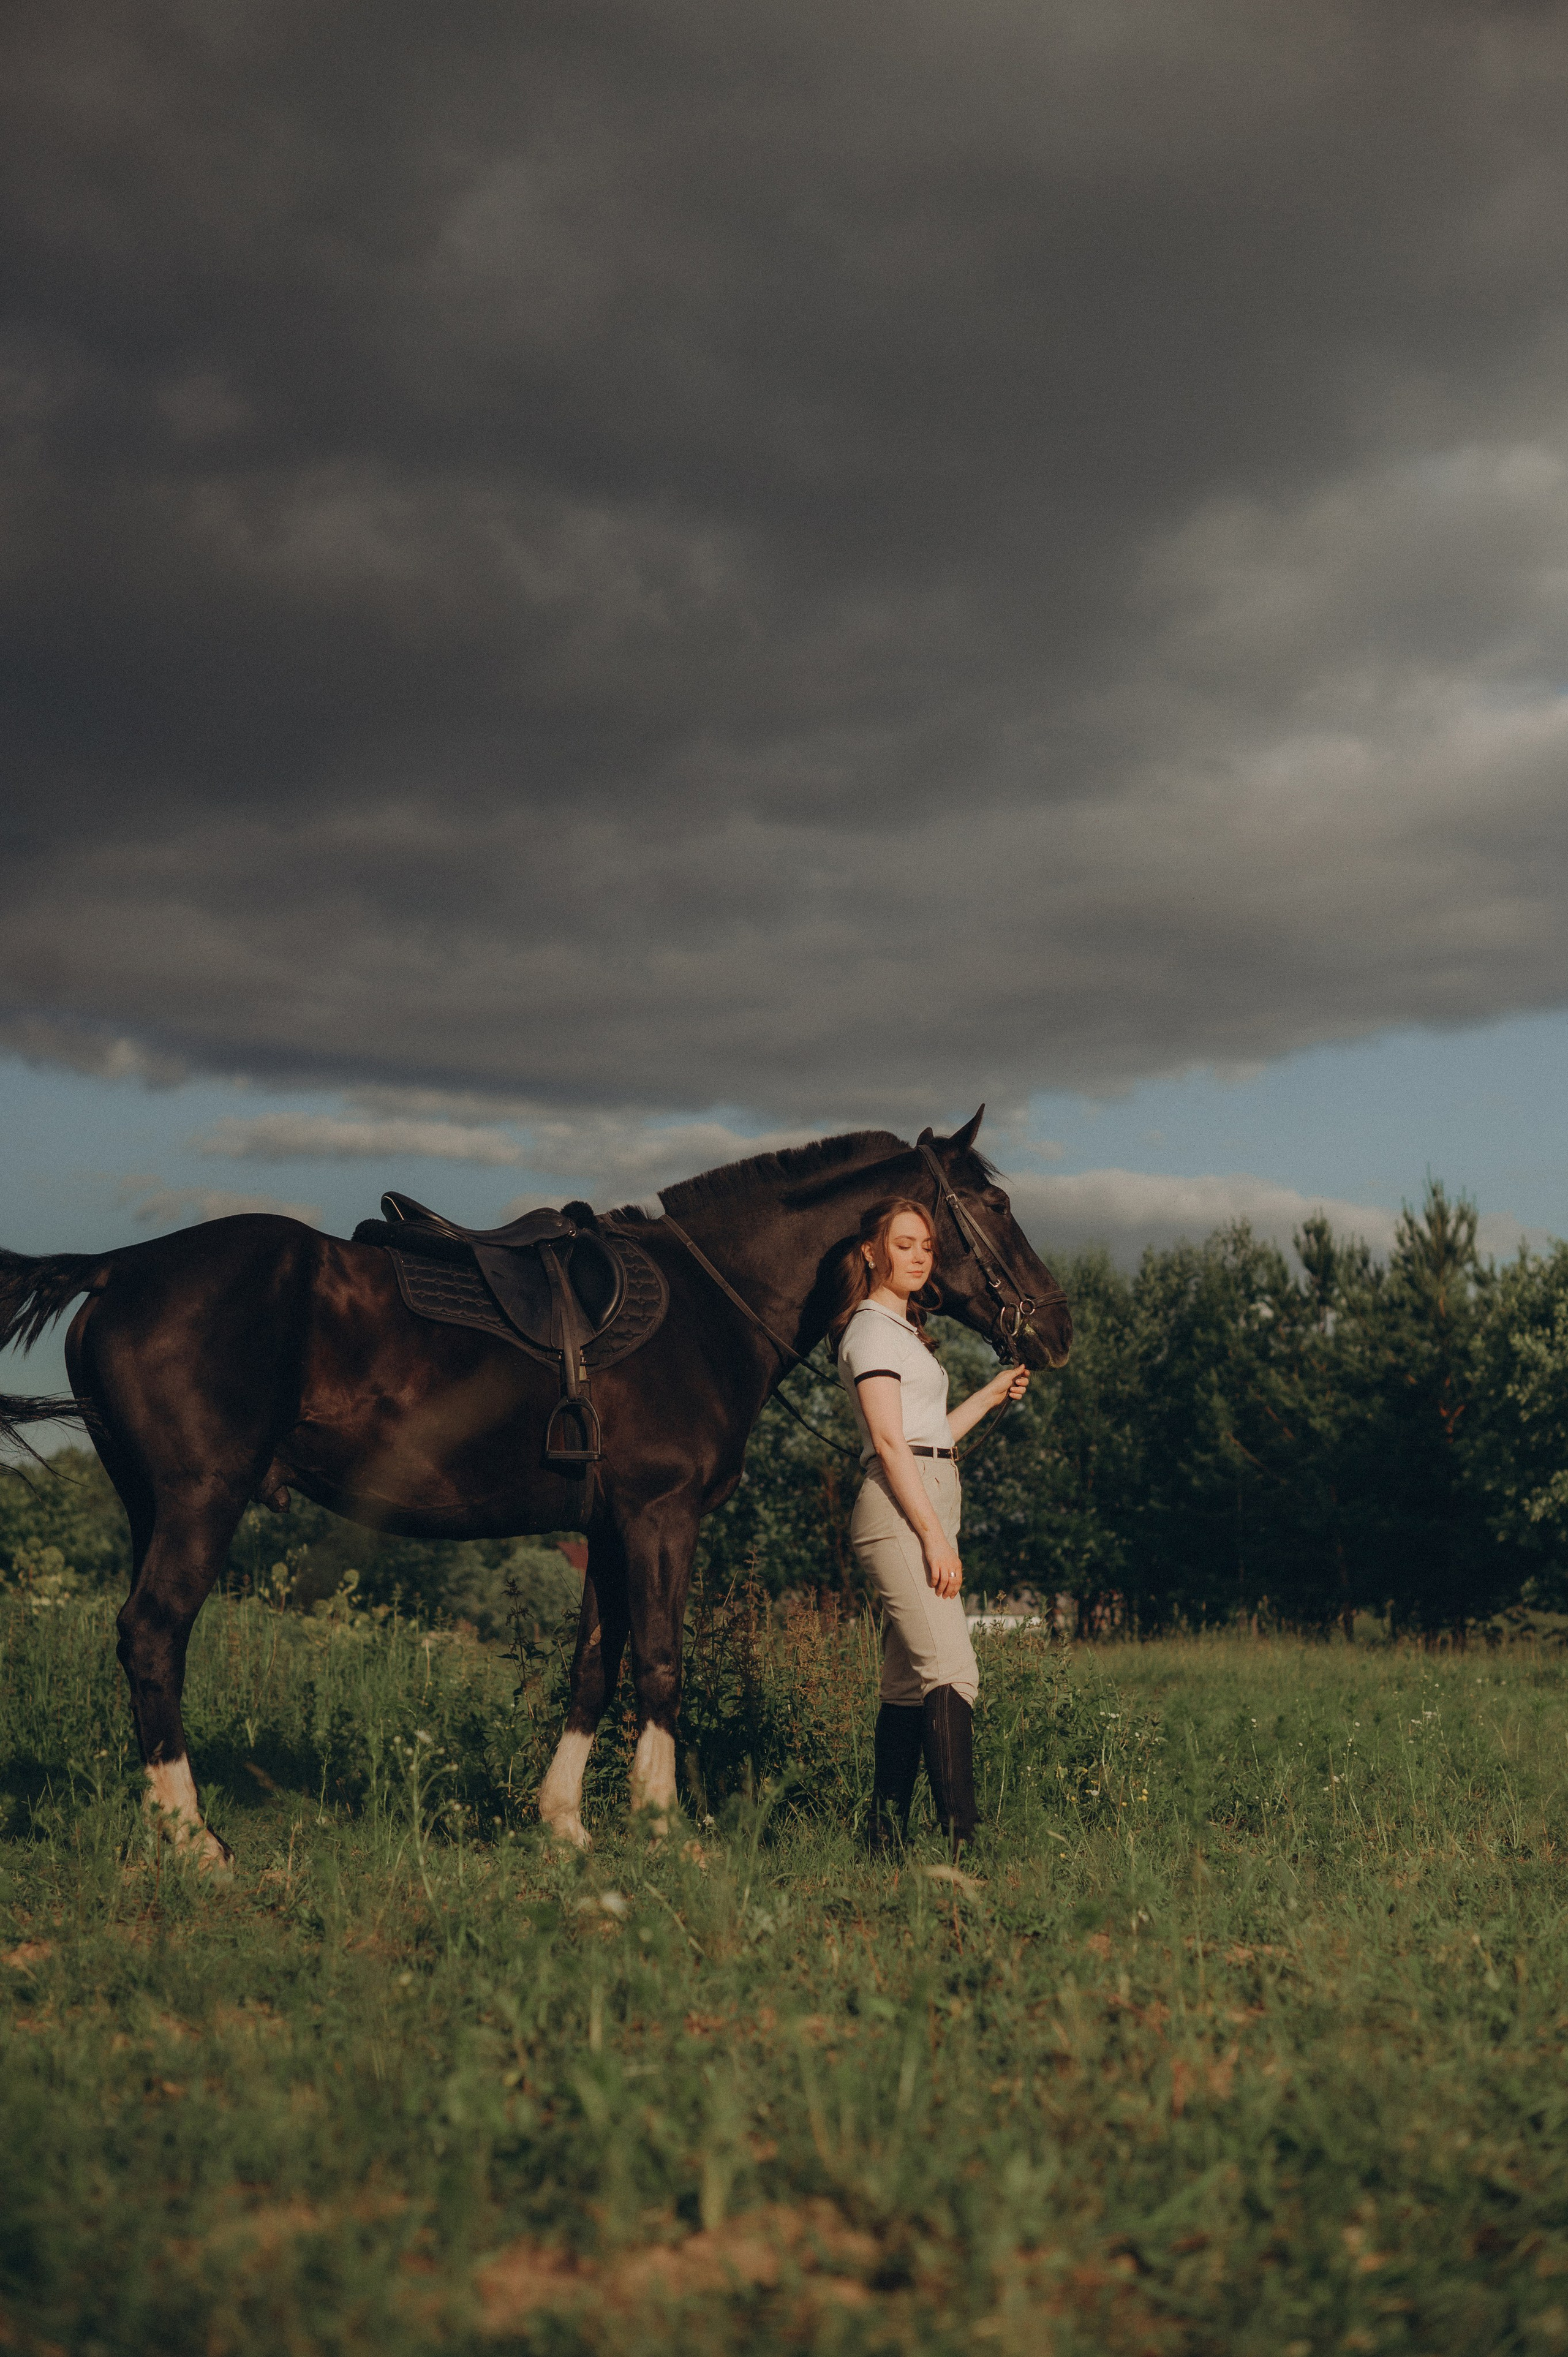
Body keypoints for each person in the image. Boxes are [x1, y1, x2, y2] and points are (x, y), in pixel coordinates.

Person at [831, 1196, 1028, 1853]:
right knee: (953, 1670)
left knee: (909, 1682)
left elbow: (927, 1436)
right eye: (905, 1243)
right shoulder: (868, 1332)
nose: (918, 1256)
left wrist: (991, 1392)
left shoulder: (902, 1331)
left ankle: (881, 1838)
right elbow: (890, 1444)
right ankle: (962, 1844)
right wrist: (932, 1536)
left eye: (926, 1247)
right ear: (871, 1251)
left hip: (925, 1491)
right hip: (898, 1508)